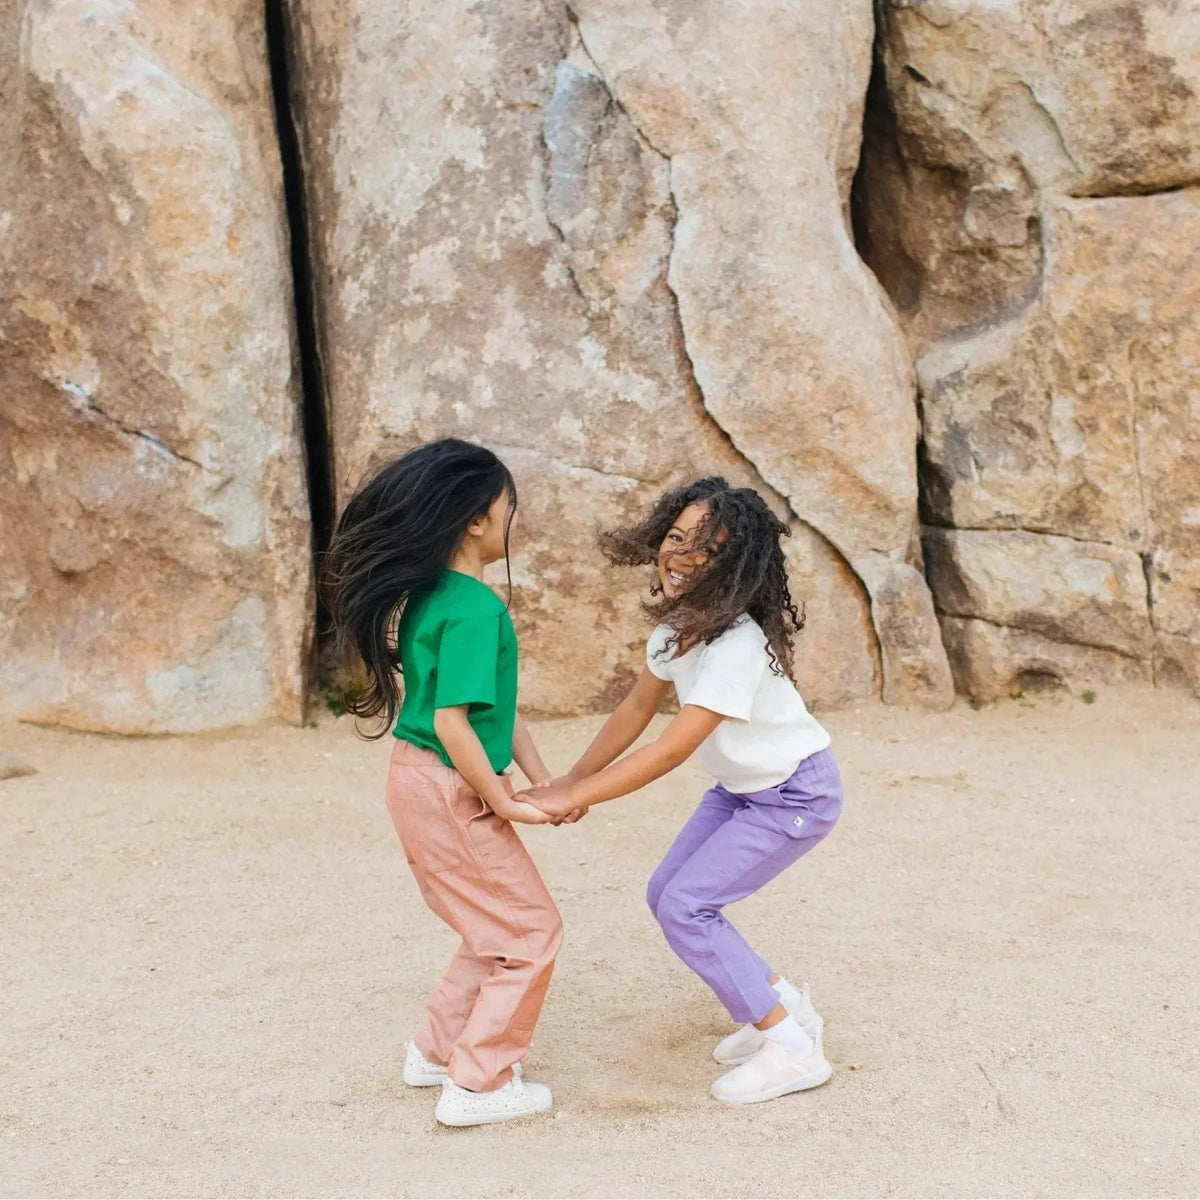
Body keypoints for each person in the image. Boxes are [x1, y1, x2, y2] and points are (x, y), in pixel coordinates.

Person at [524, 478, 843, 1104]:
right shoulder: (677, 630)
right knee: (666, 893)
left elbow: (672, 746)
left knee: (687, 906)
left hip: (795, 796)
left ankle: (792, 1050)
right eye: (676, 539)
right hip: (743, 789)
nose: (684, 557)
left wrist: (578, 798)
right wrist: (571, 782)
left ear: (740, 567)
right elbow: (635, 710)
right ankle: (784, 1009)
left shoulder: (735, 644)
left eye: (709, 550)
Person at [324, 438, 564, 1127]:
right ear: (476, 523)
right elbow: (457, 725)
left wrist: (543, 779)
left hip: (419, 780)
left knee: (489, 926)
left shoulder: (436, 596)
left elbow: (494, 710)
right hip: (447, 783)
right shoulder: (475, 608)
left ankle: (437, 1052)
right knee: (532, 931)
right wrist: (504, 801)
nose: (515, 516)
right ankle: (479, 1084)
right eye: (508, 506)